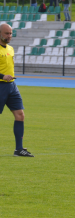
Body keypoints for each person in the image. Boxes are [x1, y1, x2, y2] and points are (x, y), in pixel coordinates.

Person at [0, 24, 34, 157]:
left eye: (11, 33)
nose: (9, 36)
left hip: (12, 86)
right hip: (1, 85)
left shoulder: (11, 49)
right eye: (7, 33)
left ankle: (19, 149)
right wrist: (3, 76)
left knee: (20, 115)